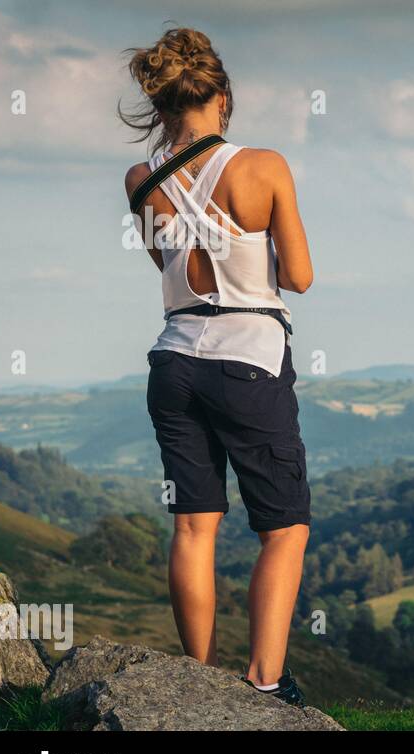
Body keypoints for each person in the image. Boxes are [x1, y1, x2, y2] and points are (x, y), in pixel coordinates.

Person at [120, 27, 314, 706]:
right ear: (222, 98)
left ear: (162, 105)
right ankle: (263, 682)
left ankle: (194, 680)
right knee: (284, 526)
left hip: (173, 360)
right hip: (248, 359)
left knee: (193, 523)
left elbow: (168, 270)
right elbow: (303, 275)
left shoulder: (141, 179)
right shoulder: (264, 167)